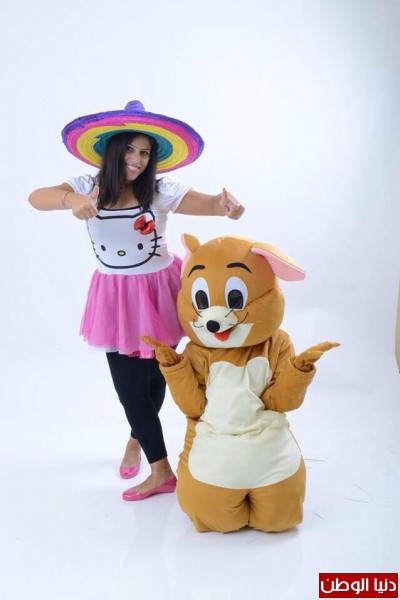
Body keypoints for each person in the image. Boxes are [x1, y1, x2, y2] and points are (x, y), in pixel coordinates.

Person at [28, 100, 245, 502]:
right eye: (130, 149)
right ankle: (159, 466)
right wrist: (70, 201)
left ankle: (140, 442)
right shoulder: (86, 185)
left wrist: (226, 206)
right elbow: (35, 197)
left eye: (145, 152)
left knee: (155, 377)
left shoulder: (159, 190)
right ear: (112, 149)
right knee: (130, 389)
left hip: (160, 292)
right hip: (115, 298)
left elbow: (210, 204)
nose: (137, 159)